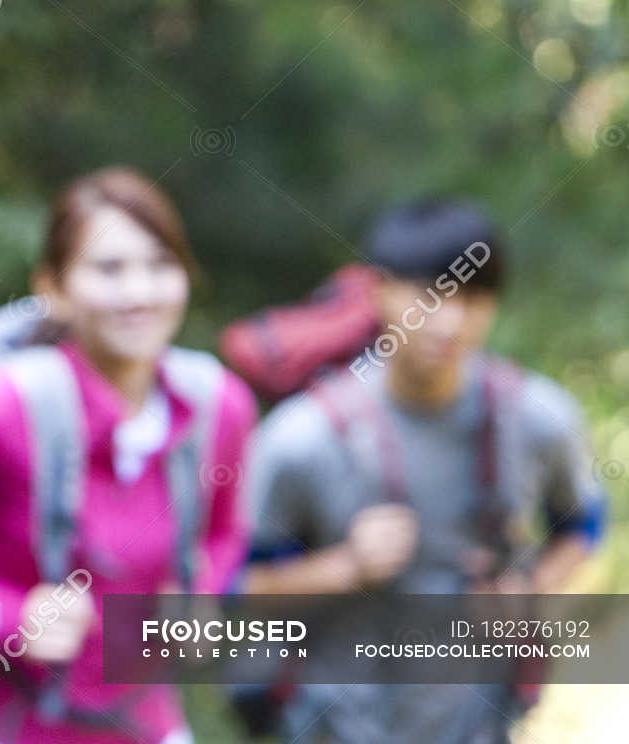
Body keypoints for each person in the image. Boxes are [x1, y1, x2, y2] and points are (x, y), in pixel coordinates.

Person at [240, 199, 605, 743]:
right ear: (379, 290)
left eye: (474, 297)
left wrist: (531, 588)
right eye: (430, 295)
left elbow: (585, 524)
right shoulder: (303, 437)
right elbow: (235, 587)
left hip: (479, 723)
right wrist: (344, 568)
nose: (451, 320)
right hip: (334, 723)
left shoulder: (537, 418)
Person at [0, 166, 257, 744]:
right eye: (109, 269)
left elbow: (226, 531)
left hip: (145, 725)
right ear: (52, 288)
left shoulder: (218, 405)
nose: (139, 293)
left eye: (161, 265)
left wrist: (200, 593)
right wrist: (10, 616)